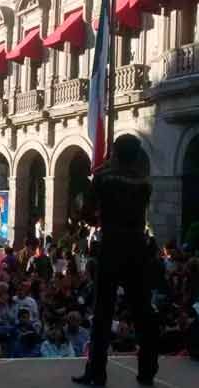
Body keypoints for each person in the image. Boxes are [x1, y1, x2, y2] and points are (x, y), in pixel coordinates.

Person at [73, 136, 158, 387]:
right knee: (143, 311)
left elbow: (87, 213)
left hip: (111, 247)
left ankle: (97, 373)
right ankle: (147, 371)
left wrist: (90, 211)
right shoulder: (144, 182)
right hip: (137, 248)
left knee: (103, 312)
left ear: (115, 153)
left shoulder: (103, 178)